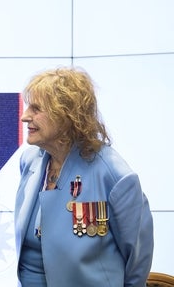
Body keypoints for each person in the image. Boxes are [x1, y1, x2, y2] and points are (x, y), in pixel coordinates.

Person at [15, 66, 154, 286]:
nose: (24, 116)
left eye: (36, 108)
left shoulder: (115, 175)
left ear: (65, 114)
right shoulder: (30, 161)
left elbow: (137, 260)